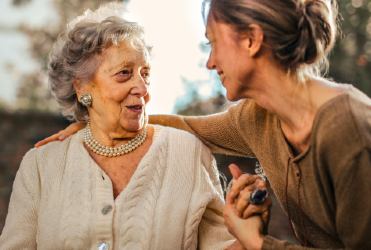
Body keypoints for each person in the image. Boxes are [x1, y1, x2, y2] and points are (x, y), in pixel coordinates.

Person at [35, 0, 371, 249]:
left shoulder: (349, 131)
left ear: (251, 40)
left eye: (213, 42)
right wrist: (100, 123)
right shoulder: (257, 117)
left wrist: (258, 243)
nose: (210, 62)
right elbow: (187, 127)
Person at [0, 3, 241, 249]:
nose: (143, 88)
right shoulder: (39, 166)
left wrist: (250, 233)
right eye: (125, 73)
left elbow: (223, 245)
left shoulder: (189, 154)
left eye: (145, 73)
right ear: (81, 86)